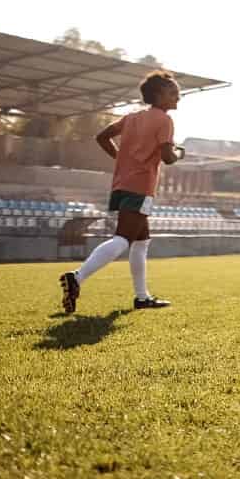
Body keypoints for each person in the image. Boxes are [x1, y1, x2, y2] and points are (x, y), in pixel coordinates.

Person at [59, 71, 183, 313]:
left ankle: (142, 297)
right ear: (158, 95)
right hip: (141, 186)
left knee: (141, 241)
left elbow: (102, 137)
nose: (177, 97)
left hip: (122, 184)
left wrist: (120, 160)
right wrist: (180, 153)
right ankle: (77, 277)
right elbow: (168, 158)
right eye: (173, 93)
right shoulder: (164, 120)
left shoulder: (132, 117)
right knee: (123, 239)